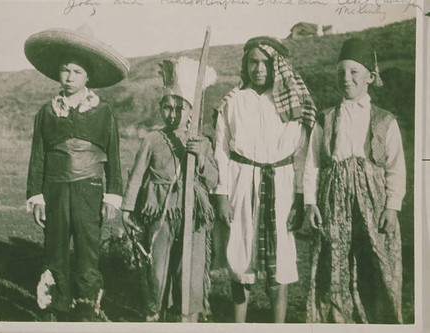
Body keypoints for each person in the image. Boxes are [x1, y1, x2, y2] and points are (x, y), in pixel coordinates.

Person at [24, 25, 129, 322]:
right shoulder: (47, 112)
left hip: (89, 189)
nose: (69, 77)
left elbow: (114, 158)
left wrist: (111, 198)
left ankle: (86, 309)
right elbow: (37, 157)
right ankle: (56, 307)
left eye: (77, 72)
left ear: (88, 77)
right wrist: (37, 197)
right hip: (55, 190)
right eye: (65, 70)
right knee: (55, 249)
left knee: (87, 251)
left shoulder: (103, 112)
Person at [212, 36, 316, 323]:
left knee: (280, 258)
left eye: (266, 63)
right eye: (253, 62)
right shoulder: (234, 101)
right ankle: (238, 324)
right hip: (241, 182)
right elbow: (221, 149)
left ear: (277, 67)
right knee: (240, 253)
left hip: (280, 185)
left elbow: (301, 153)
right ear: (245, 65)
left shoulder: (291, 104)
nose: (259, 69)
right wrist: (221, 193)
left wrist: (299, 196)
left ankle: (278, 326)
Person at [303, 38, 406, 323]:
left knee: (376, 264)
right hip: (334, 204)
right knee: (334, 264)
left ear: (370, 77)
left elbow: (396, 166)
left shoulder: (385, 121)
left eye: (353, 72)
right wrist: (310, 203)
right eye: (340, 73)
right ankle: (337, 321)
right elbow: (312, 164)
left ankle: (380, 321)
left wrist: (392, 206)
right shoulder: (325, 119)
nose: (346, 79)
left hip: (374, 204)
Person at [121, 57, 218, 322]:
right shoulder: (152, 140)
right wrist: (128, 209)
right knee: (157, 273)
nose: (172, 114)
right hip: (159, 216)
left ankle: (189, 320)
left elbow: (212, 180)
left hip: (192, 219)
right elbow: (137, 175)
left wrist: (198, 158)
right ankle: (155, 316)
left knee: (189, 275)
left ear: (190, 111)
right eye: (167, 107)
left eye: (179, 108)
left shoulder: (202, 142)